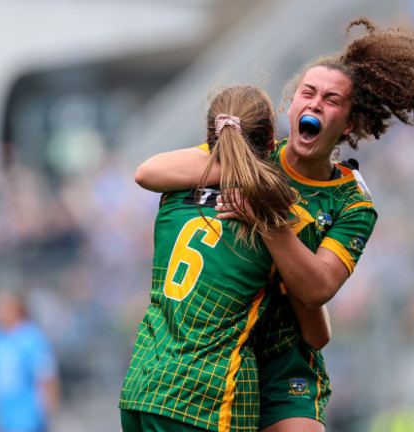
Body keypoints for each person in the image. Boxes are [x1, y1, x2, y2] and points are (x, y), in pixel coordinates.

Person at [135, 17, 414, 431]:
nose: (316, 104)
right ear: (291, 105)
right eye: (308, 92)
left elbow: (317, 290)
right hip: (220, 355)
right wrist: (246, 176)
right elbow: (150, 171)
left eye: (331, 99)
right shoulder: (254, 151)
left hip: (284, 363)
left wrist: (266, 215)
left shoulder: (353, 204)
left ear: (349, 123)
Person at [119, 84, 331, 432]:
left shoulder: (172, 194)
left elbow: (146, 171)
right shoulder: (281, 218)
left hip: (143, 386)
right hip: (207, 396)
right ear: (270, 140)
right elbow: (317, 333)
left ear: (208, 142)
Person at [0, 289, 61, 432]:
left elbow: (47, 377)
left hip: (29, 419)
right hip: (2, 418)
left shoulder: (32, 338)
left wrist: (49, 410)